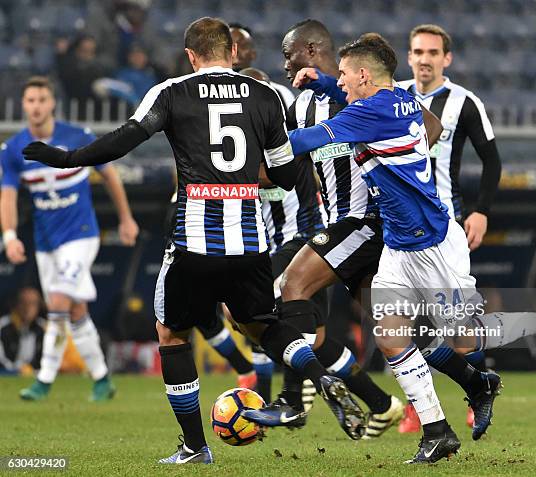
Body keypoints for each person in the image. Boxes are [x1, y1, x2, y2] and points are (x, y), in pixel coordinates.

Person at [22, 18, 366, 465]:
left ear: (190, 55)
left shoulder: (172, 91)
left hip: (194, 241)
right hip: (250, 242)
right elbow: (284, 171)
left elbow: (125, 139)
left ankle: (194, 446)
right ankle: (319, 377)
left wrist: (68, 158)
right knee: (263, 325)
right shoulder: (264, 96)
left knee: (170, 333)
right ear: (230, 52)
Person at [288, 34, 536, 462]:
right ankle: (437, 430)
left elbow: (302, 142)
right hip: (397, 244)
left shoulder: (371, 112)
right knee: (391, 337)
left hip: (434, 245)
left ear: (365, 75)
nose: (343, 81)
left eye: (346, 75)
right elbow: (430, 126)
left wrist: (252, 137)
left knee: (464, 341)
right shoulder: (399, 100)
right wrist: (326, 83)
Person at [245, 20, 403, 440]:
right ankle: (389, 403)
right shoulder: (300, 106)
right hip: (337, 230)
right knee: (376, 333)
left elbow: (430, 128)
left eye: (289, 54)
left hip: (371, 224)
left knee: (287, 289)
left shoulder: (369, 93)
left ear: (312, 50)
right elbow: (291, 166)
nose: (285, 64)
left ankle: (293, 402)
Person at [0, 76, 139, 401]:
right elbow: (6, 196)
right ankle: (103, 380)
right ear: (24, 105)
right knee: (73, 310)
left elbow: (109, 175)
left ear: (52, 104)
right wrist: (8, 235)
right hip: (47, 241)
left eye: (41, 100)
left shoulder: (78, 137)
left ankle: (43, 380)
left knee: (59, 302)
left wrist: (126, 217)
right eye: (30, 100)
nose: (36, 106)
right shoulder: (13, 149)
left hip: (80, 235)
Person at [396, 23, 503, 431]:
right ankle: (418, 400)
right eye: (418, 51)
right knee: (399, 314)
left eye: (432, 52)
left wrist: (482, 211)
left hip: (445, 228)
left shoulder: (464, 102)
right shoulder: (394, 96)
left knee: (454, 319)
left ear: (447, 58)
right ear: (408, 57)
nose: (424, 59)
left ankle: (475, 392)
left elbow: (492, 160)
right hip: (399, 227)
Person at [229, 23, 295, 110]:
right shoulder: (206, 91)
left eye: (243, 46)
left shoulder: (280, 93)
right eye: (228, 46)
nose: (235, 52)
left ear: (253, 53)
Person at [0, 287, 45, 375]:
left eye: (33, 303)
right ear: (16, 304)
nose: (27, 308)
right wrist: (16, 370)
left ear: (39, 307)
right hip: (7, 374)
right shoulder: (3, 326)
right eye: (24, 303)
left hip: (34, 374)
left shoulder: (44, 328)